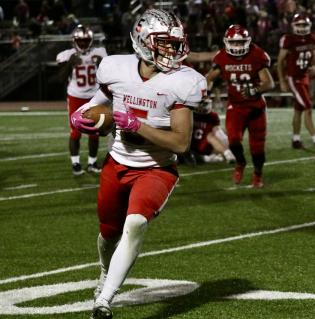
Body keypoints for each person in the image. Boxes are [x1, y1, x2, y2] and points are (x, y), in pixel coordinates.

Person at [69, 9, 207, 318]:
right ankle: (104, 272)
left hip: (157, 169)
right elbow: (97, 103)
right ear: (144, 41)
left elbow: (181, 143)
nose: (173, 50)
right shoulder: (116, 68)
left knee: (136, 223)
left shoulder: (183, 82)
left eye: (175, 43)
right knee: (108, 234)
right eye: (165, 43)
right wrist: (84, 114)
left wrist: (136, 125)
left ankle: (104, 300)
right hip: (116, 163)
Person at [205, 24, 275, 188]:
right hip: (236, 106)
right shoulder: (222, 57)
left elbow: (269, 82)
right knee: (233, 139)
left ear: (248, 41)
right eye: (234, 43)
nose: (237, 46)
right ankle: (240, 163)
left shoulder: (256, 55)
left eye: (241, 42)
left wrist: (255, 89)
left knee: (257, 147)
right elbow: (209, 77)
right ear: (227, 42)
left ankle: (257, 174)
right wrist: (205, 93)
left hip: (256, 107)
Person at [56, 24, 107, 176]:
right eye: (81, 40)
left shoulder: (100, 53)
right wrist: (70, 64)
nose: (83, 43)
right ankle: (76, 163)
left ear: (91, 40)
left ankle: (92, 163)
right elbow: (60, 78)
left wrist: (101, 64)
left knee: (94, 132)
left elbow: (108, 75)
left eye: (86, 40)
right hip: (75, 96)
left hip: (94, 97)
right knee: (75, 133)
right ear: (74, 40)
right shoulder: (67, 55)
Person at [277, 13, 315, 150]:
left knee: (298, 110)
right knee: (308, 107)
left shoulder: (312, 38)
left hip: (305, 77)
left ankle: (296, 139)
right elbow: (280, 62)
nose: (302, 27)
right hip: (294, 78)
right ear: (293, 26)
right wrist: (282, 81)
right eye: (299, 24)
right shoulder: (289, 39)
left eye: (304, 24)